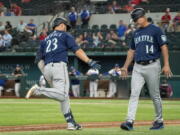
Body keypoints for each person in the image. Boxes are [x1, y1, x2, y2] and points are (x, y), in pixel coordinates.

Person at [25, 17, 101, 130]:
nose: (66, 28)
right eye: (65, 25)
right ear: (60, 24)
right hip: (59, 66)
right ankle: (38, 90)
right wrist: (89, 61)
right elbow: (77, 50)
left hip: (46, 68)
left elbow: (38, 61)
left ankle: (71, 123)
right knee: (63, 95)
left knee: (64, 98)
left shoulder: (45, 40)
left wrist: (46, 75)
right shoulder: (65, 35)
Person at [120, 8, 173, 131]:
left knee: (155, 95)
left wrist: (166, 64)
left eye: (136, 19)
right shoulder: (136, 33)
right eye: (134, 20)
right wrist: (125, 66)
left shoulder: (156, 30)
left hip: (152, 65)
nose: (135, 22)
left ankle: (159, 121)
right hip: (138, 67)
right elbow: (131, 51)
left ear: (143, 16)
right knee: (134, 93)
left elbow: (164, 47)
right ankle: (129, 121)